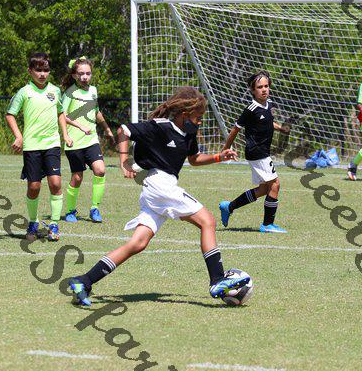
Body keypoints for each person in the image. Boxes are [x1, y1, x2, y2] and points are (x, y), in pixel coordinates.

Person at [68, 87, 250, 306]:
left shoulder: (189, 133)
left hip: (157, 191)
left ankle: (84, 281)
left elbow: (194, 159)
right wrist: (124, 160)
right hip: (159, 185)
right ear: (185, 114)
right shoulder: (160, 127)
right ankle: (217, 280)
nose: (200, 121)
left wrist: (219, 157)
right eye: (198, 117)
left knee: (138, 243)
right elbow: (124, 130)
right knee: (208, 221)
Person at [5, 52, 73, 241]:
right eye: (38, 70)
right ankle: (33, 222)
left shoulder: (55, 91)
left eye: (46, 70)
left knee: (55, 183)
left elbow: (60, 112)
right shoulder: (24, 92)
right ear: (30, 71)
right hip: (32, 146)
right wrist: (18, 136)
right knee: (34, 186)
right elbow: (10, 114)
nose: (42, 74)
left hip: (52, 144)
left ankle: (54, 225)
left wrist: (65, 134)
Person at [219, 71, 290, 234]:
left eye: (266, 86)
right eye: (259, 87)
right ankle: (267, 224)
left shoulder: (269, 104)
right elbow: (235, 129)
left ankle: (229, 207)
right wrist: (226, 149)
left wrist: (281, 128)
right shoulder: (251, 109)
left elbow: (268, 122)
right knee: (275, 184)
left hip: (262, 152)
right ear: (252, 90)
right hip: (257, 152)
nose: (264, 89)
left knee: (264, 189)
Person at [61, 56, 115, 223]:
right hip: (74, 141)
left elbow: (96, 111)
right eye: (81, 73)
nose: (85, 77)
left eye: (88, 73)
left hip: (91, 140)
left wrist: (106, 128)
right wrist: (74, 130)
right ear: (74, 75)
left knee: (100, 170)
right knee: (77, 178)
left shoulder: (93, 90)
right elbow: (62, 115)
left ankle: (94, 208)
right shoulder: (69, 93)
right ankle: (70, 211)